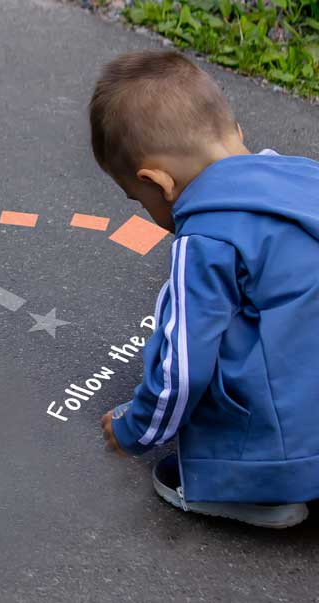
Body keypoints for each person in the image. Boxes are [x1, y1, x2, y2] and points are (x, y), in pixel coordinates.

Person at [89, 49, 319, 528]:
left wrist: (137, 428)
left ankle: (258, 488)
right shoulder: (306, 176)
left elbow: (184, 369)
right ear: (236, 132)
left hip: (295, 446)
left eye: (140, 201)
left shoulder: (206, 238)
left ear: (159, 183)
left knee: (196, 327)